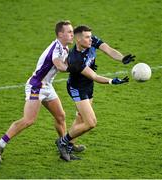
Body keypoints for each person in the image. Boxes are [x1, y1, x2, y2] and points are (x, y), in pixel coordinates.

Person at [0, 20, 84, 165]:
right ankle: (0, 144)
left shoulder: (64, 48)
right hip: (36, 86)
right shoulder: (56, 48)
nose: (72, 34)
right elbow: (59, 65)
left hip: (47, 86)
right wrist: (73, 68)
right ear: (60, 34)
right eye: (69, 32)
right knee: (29, 120)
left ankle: (64, 145)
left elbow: (65, 63)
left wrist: (77, 64)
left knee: (60, 116)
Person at [56, 25, 135, 161]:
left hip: (88, 86)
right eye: (87, 37)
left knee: (81, 118)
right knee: (91, 122)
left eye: (91, 36)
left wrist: (121, 58)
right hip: (77, 88)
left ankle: (68, 148)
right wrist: (112, 81)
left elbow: (108, 50)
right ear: (78, 40)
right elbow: (94, 76)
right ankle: (62, 141)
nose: (91, 39)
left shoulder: (93, 41)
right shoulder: (75, 58)